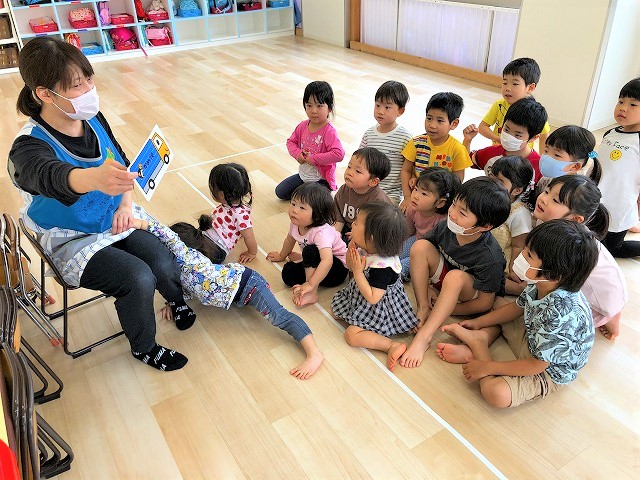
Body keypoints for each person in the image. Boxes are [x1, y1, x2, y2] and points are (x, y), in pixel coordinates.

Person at [7, 37, 190, 371]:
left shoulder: (93, 118)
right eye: (78, 85)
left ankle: (177, 300)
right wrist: (93, 179)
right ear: (45, 93)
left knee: (162, 260)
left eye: (89, 79)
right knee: (138, 278)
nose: (90, 89)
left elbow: (121, 163)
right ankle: (144, 347)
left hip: (114, 216)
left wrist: (125, 204)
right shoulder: (27, 148)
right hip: (71, 238)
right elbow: (49, 175)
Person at [133, 217, 324, 379]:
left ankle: (314, 353)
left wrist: (143, 224)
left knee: (279, 317)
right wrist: (173, 302)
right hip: (239, 293)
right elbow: (191, 287)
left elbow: (167, 236)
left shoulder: (184, 255)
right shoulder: (179, 269)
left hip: (249, 285)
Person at [436, 220, 598, 408]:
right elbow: (517, 307)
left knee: (495, 394)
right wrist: (479, 322)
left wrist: (486, 368)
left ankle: (479, 347)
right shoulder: (541, 282)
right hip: (534, 338)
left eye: (529, 255)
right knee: (496, 303)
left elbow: (537, 365)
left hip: (546, 369)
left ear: (553, 274)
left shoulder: (561, 314)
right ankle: (481, 337)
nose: (521, 255)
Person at [400, 177, 511, 368]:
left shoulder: (490, 257)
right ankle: (423, 307)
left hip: (468, 296)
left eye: (462, 212)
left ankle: (424, 337)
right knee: (419, 247)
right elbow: (426, 254)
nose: (452, 213)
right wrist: (430, 297)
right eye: (454, 205)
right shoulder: (447, 226)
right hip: (445, 286)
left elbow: (485, 303)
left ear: (485, 226)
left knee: (455, 277)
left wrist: (451, 309)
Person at [533, 175, 627, 340]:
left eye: (555, 200)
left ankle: (612, 319)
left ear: (575, 219)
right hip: (589, 285)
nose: (543, 199)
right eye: (547, 191)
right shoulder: (548, 222)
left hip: (604, 300)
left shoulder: (568, 244)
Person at [331, 202, 418, 371]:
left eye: (357, 223)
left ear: (371, 237)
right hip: (362, 293)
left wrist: (358, 272)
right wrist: (352, 249)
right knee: (336, 312)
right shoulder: (368, 247)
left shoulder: (383, 267)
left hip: (379, 307)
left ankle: (390, 345)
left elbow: (373, 298)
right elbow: (350, 266)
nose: (352, 224)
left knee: (351, 335)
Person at [267, 183, 348, 307]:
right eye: (293, 204)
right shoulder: (296, 223)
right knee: (287, 274)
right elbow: (289, 240)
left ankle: (312, 293)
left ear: (318, 215)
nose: (294, 210)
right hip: (318, 262)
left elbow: (327, 261)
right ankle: (305, 261)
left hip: (337, 270)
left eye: (302, 208)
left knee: (310, 251)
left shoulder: (321, 232)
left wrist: (310, 284)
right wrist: (281, 256)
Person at [400, 92, 471, 212]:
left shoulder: (457, 149)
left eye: (440, 121)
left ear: (454, 124)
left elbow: (457, 181)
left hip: (440, 202)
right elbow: (405, 170)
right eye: (429, 118)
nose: (432, 125)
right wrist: (407, 197)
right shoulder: (416, 143)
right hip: (416, 198)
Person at [275, 81, 345, 200]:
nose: (313, 110)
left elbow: (339, 154)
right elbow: (290, 142)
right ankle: (305, 194)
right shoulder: (302, 126)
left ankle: (312, 195)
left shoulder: (329, 131)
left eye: (319, 106)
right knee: (280, 192)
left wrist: (314, 159)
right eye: (309, 105)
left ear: (329, 108)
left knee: (309, 201)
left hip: (321, 180)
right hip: (303, 176)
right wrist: (298, 154)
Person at [597, 77, 640, 258]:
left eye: (633, 104)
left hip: (620, 205)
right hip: (598, 198)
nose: (623, 108)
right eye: (621, 101)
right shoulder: (610, 133)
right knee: (593, 239)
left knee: (613, 249)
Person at [464, 97, 547, 182]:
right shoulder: (491, 153)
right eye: (506, 130)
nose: (509, 136)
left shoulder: (540, 167)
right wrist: (467, 140)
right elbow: (466, 161)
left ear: (533, 138)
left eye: (517, 135)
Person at [476, 57, 550, 150]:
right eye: (505, 83)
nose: (507, 88)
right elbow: (482, 127)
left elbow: (544, 137)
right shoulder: (499, 105)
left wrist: (542, 157)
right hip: (499, 152)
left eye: (515, 84)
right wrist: (498, 139)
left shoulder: (534, 111)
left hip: (521, 156)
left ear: (530, 87)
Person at [399, 167, 460, 279]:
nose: (415, 196)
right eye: (415, 189)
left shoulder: (444, 221)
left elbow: (443, 250)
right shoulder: (412, 209)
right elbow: (409, 231)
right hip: (417, 239)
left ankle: (392, 277)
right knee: (395, 254)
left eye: (424, 193)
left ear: (440, 203)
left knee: (403, 266)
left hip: (432, 252)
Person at [359, 81, 413, 205]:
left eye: (387, 107)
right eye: (377, 105)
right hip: (367, 189)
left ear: (400, 111)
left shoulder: (405, 138)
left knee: (380, 214)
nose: (380, 111)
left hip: (390, 194)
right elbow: (359, 160)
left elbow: (409, 169)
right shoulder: (369, 134)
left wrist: (407, 197)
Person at [488, 156, 535, 295]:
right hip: (484, 254)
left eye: (500, 181)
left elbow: (519, 246)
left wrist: (512, 270)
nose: (492, 183)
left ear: (517, 190)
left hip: (501, 262)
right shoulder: (488, 199)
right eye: (491, 177)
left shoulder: (519, 213)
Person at [201, 162, 257, 264]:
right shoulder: (229, 204)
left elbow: (249, 236)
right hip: (205, 236)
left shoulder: (240, 214)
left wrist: (251, 253)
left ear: (222, 195)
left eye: (213, 187)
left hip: (217, 249)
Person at [333, 147, 392, 243]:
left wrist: (358, 236)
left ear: (373, 181)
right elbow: (338, 219)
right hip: (347, 229)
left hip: (367, 237)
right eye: (349, 167)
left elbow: (380, 232)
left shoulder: (379, 202)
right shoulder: (344, 189)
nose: (350, 173)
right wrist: (334, 237)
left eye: (358, 171)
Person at [535, 125, 602, 195]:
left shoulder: (575, 193)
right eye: (546, 151)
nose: (547, 157)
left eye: (557, 155)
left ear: (575, 166)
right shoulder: (547, 178)